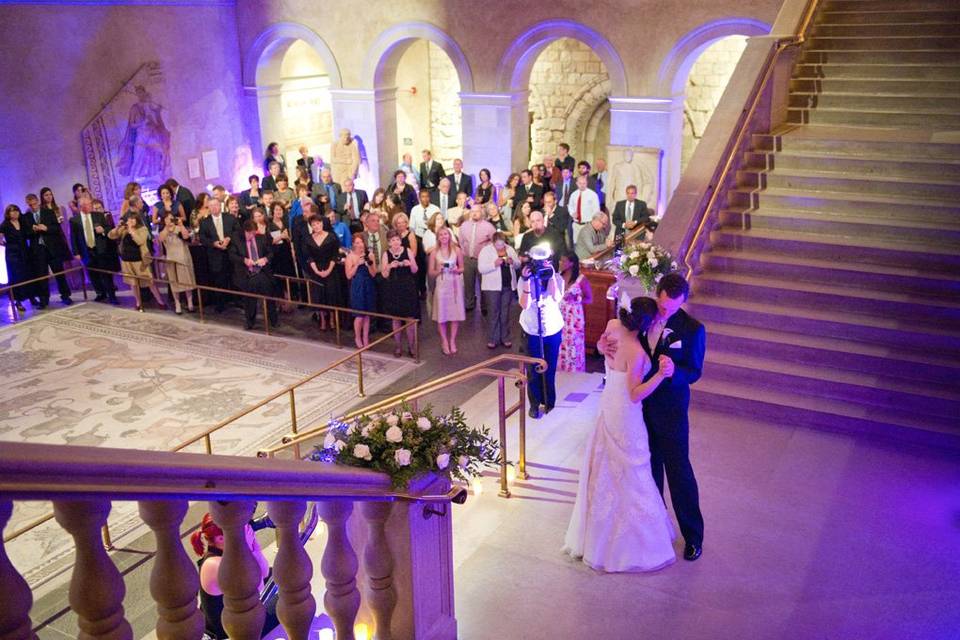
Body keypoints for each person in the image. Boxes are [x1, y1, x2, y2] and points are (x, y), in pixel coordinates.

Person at [564, 296, 677, 572]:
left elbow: (605, 349)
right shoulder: (637, 352)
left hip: (608, 404)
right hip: (625, 411)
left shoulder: (613, 325)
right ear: (646, 324)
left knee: (605, 465)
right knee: (632, 471)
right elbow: (635, 394)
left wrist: (602, 349)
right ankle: (634, 544)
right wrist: (660, 375)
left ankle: (597, 537)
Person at [598, 273, 706, 561]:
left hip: (670, 411)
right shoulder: (643, 314)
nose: (666, 312)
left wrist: (674, 373)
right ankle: (656, 529)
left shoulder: (693, 329)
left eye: (673, 308)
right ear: (657, 295)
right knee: (648, 470)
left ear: (683, 302)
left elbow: (694, 371)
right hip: (638, 410)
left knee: (679, 472)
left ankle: (693, 536)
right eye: (663, 306)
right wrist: (601, 347)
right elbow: (617, 342)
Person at [190, 513, 278, 640]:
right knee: (284, 598)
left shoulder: (224, 552)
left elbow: (264, 573)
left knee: (278, 576)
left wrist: (254, 547)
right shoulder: (214, 565)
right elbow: (257, 588)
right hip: (228, 629)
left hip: (236, 612)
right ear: (220, 539)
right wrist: (246, 548)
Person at [518, 252, 564, 419]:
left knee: (549, 368)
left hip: (552, 330)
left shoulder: (557, 278)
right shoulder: (524, 279)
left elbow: (557, 297)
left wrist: (550, 276)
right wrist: (527, 282)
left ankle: (549, 401)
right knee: (533, 369)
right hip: (531, 329)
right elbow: (524, 304)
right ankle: (535, 403)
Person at [109, 212, 165, 311]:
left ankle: (160, 301)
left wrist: (131, 230)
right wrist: (118, 227)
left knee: (149, 281)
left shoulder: (142, 229)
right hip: (126, 260)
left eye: (132, 219)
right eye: (128, 220)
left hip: (139, 260)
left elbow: (139, 241)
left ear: (137, 220)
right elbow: (111, 236)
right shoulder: (123, 229)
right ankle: (138, 302)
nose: (130, 221)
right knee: (133, 283)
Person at [230, 217, 279, 330]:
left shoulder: (261, 238)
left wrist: (265, 259)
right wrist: (245, 260)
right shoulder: (236, 239)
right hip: (247, 273)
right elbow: (232, 255)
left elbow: (270, 253)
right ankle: (250, 322)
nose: (252, 236)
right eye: (250, 234)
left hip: (262, 272)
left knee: (270, 296)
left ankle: (274, 320)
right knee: (249, 300)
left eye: (254, 233)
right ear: (245, 231)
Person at [69, 192, 118, 304]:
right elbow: (73, 237)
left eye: (90, 204)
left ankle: (112, 295)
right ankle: (100, 293)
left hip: (100, 249)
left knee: (105, 274)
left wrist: (103, 231)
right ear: (82, 207)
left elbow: (108, 228)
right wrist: (76, 252)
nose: (91, 206)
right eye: (88, 204)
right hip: (86, 251)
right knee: (92, 274)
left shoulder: (99, 216)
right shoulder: (74, 220)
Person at [478, 232, 520, 349]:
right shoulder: (485, 251)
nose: (501, 247)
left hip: (507, 286)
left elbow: (518, 264)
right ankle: (493, 338)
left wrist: (513, 262)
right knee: (493, 313)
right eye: (498, 245)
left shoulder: (510, 249)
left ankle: (505, 337)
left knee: (505, 313)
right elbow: (481, 269)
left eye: (502, 245)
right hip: (492, 287)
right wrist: (494, 264)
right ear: (493, 242)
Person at [381, 228, 419, 357]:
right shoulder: (386, 254)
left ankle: (411, 346)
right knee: (396, 319)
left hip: (407, 288)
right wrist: (389, 266)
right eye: (393, 240)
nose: (396, 242)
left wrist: (409, 264)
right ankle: (398, 346)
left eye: (397, 239)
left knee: (409, 318)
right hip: (393, 289)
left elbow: (415, 270)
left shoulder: (407, 251)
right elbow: (384, 274)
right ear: (389, 242)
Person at [32, 188, 73, 306]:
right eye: (31, 204)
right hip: (40, 249)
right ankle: (44, 300)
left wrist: (46, 228)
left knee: (59, 273)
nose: (33, 206)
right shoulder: (29, 215)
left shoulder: (50, 212)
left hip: (53, 247)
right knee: (42, 275)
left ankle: (65, 295)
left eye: (50, 194)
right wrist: (33, 229)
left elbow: (56, 228)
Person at [429, 225, 465, 355]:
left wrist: (456, 270)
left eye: (446, 234)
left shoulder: (456, 250)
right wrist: (438, 270)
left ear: (449, 236)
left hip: (454, 283)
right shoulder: (434, 252)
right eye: (441, 235)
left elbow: (462, 268)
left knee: (454, 314)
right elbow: (431, 272)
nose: (444, 237)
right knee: (442, 315)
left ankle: (452, 340)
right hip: (441, 285)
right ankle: (444, 340)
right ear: (438, 237)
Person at [304, 216, 344, 331]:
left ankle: (332, 319)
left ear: (322, 223)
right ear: (311, 226)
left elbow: (334, 255)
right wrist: (316, 271)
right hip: (316, 269)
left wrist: (328, 270)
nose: (316, 226)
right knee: (319, 295)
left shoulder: (331, 236)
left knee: (331, 294)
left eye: (318, 223)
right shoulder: (308, 239)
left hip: (330, 269)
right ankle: (322, 319)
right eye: (314, 224)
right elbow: (309, 257)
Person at [199, 196, 238, 313]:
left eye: (216, 205)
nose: (214, 208)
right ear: (209, 208)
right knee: (218, 280)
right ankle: (221, 303)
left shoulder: (230, 218)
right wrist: (213, 243)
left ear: (220, 205)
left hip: (230, 252)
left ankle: (237, 301)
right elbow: (202, 238)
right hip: (215, 254)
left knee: (234, 277)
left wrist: (229, 238)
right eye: (211, 206)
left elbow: (237, 231)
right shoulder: (205, 222)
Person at [458, 203, 495, 314]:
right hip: (468, 259)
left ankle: (484, 306)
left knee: (484, 284)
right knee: (468, 283)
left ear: (481, 213)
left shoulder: (488, 226)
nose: (474, 213)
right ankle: (469, 304)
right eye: (472, 211)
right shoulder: (464, 225)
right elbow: (461, 241)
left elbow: (494, 241)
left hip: (482, 260)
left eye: (477, 211)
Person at [558, 252, 592, 372]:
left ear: (571, 263)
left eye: (563, 261)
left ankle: (574, 369)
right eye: (560, 260)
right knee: (560, 341)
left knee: (573, 343)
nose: (560, 263)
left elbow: (589, 298)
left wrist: (577, 298)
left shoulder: (581, 279)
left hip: (574, 316)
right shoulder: (558, 277)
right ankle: (560, 368)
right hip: (560, 314)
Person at [158, 211, 196, 314]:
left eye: (171, 219)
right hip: (171, 259)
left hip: (183, 257)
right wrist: (167, 228)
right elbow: (160, 239)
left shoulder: (179, 228)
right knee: (174, 282)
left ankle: (190, 303)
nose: (169, 221)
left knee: (187, 281)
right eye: (167, 219)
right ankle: (177, 303)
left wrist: (181, 225)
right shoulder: (164, 231)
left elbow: (186, 237)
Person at [344, 235, 377, 348]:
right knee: (359, 315)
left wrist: (368, 265)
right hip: (357, 286)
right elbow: (348, 275)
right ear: (353, 244)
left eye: (361, 242)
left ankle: (365, 337)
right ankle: (357, 337)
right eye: (357, 243)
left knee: (367, 314)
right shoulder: (350, 257)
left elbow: (373, 273)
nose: (359, 245)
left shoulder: (370, 255)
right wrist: (357, 264)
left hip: (368, 285)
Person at [1, 204, 35, 312]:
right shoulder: (5, 224)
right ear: (8, 213)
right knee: (16, 277)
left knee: (28, 274)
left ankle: (31, 297)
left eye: (16, 210)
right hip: (13, 254)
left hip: (24, 251)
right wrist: (5, 244)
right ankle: (18, 301)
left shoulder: (22, 222)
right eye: (12, 211)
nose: (15, 212)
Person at [409, 189, 438, 298]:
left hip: (431, 237)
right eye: (423, 197)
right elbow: (412, 226)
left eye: (427, 196)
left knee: (433, 263)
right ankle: (422, 289)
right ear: (419, 198)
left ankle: (435, 288)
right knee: (421, 265)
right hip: (419, 238)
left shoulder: (435, 208)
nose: (425, 199)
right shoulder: (415, 210)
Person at [568, 174, 601, 243]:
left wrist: (593, 224)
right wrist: (572, 213)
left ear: (587, 183)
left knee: (588, 244)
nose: (582, 185)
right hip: (576, 225)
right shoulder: (573, 194)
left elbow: (596, 210)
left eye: (584, 183)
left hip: (587, 225)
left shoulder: (593, 195)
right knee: (576, 244)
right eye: (580, 183)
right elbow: (570, 206)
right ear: (577, 183)